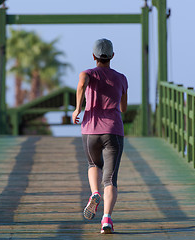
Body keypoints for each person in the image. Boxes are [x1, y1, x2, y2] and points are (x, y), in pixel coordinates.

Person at [72, 38, 128, 234]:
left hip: (90, 130)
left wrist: (78, 109)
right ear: (112, 56)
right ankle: (106, 220)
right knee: (111, 180)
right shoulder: (121, 78)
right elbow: (123, 107)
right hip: (113, 130)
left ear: (93, 56)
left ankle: (94, 193)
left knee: (93, 165)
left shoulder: (87, 73)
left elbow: (81, 85)